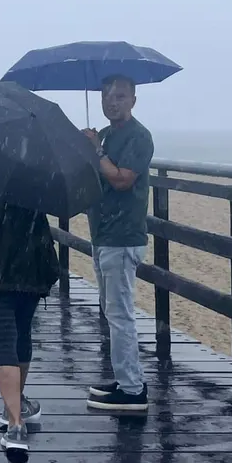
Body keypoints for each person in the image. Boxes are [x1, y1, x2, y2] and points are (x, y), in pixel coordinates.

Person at [0, 186, 59, 463]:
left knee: (5, 334)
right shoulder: (39, 169)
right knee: (23, 331)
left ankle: (15, 422)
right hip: (31, 257)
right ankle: (13, 408)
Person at [83, 75, 154, 412]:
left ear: (133, 100)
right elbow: (94, 173)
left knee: (121, 313)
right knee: (112, 312)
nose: (112, 101)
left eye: (120, 96)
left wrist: (96, 151)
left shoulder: (139, 136)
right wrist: (88, 148)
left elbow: (122, 179)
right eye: (106, 95)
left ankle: (132, 390)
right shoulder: (108, 135)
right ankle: (125, 378)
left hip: (123, 237)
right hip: (102, 235)